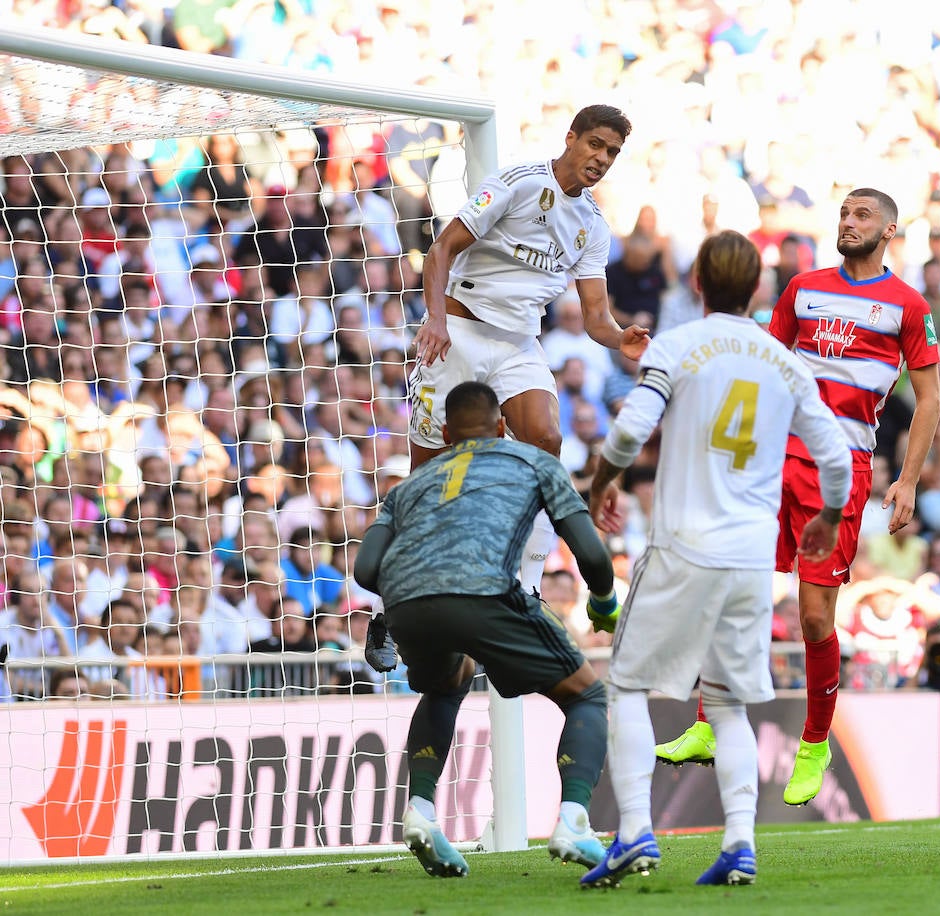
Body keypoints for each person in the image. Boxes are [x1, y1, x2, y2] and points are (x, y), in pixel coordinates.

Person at [651, 189, 940, 809]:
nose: (849, 222)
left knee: (814, 616)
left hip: (839, 466)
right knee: (733, 586)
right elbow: (762, 361)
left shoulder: (908, 307)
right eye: (843, 214)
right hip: (771, 457)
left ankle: (814, 743)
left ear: (890, 228)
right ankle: (707, 720)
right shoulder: (802, 289)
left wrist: (909, 478)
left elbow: (930, 398)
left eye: (862, 215)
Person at [580, 230, 852, 888]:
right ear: (757, 288)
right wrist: (830, 515)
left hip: (684, 544)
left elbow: (627, 431)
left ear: (697, 281)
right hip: (751, 556)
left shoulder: (678, 345)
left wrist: (601, 484)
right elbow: (837, 458)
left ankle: (637, 831)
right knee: (728, 704)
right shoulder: (785, 362)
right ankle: (738, 842)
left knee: (628, 686)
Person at [353, 381, 622, 880]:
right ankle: (573, 819)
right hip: (487, 592)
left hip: (408, 604)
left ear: (447, 433)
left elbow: (367, 570)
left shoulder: (407, 487)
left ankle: (421, 810)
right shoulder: (534, 462)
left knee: (446, 684)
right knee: (586, 696)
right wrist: (604, 602)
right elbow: (590, 553)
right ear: (503, 426)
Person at [407, 104, 649, 590]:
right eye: (596, 144)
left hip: (519, 343)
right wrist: (435, 320)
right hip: (459, 331)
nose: (602, 158)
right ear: (571, 138)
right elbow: (442, 248)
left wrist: (620, 338)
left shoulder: (594, 226)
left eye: (613, 153)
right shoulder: (518, 182)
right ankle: (397, 600)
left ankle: (531, 585)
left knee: (546, 440)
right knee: (427, 474)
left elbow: (596, 317)